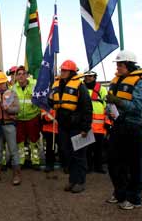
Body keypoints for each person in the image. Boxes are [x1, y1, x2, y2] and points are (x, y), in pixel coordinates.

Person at [105, 50, 142, 210]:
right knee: (114, 162)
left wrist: (118, 101)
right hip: (117, 126)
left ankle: (134, 198)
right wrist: (108, 109)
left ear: (129, 65)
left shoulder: (140, 83)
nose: (118, 67)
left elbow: (138, 107)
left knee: (135, 164)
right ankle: (120, 193)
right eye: (117, 64)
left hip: (133, 127)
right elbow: (111, 103)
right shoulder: (115, 81)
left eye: (121, 64)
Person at [49, 60, 92, 194]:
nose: (62, 73)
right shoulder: (56, 85)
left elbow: (87, 108)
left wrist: (85, 128)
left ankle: (80, 182)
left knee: (79, 155)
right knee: (68, 154)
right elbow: (52, 103)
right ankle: (73, 180)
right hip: (63, 125)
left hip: (77, 126)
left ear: (72, 72)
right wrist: (50, 100)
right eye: (62, 70)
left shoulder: (80, 86)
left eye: (65, 71)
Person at [0, 71, 21, 185]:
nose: (1, 85)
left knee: (13, 150)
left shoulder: (11, 93)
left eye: (2, 83)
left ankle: (16, 175)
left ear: (6, 82)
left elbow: (17, 109)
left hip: (9, 125)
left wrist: (7, 109)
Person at [13, 65, 42, 170]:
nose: (21, 76)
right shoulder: (13, 88)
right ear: (16, 77)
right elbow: (8, 103)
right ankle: (22, 160)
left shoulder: (34, 86)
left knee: (34, 140)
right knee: (20, 141)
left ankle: (35, 161)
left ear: (27, 75)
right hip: (19, 119)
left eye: (23, 74)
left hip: (32, 117)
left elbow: (40, 99)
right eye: (19, 74)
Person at [83, 70, 109, 174]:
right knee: (87, 148)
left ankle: (98, 167)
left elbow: (108, 107)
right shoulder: (82, 88)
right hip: (87, 125)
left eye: (90, 76)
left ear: (94, 77)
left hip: (100, 126)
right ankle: (88, 167)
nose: (88, 78)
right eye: (87, 76)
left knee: (99, 148)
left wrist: (108, 122)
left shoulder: (102, 90)